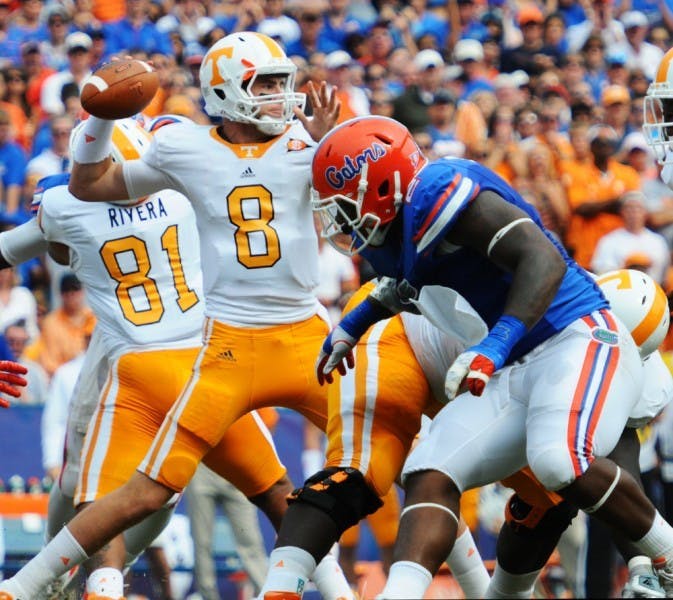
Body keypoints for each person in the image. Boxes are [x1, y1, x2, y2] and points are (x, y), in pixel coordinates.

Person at [0, 31, 352, 600]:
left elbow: (66, 202)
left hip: (139, 365)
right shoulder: (186, 178)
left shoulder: (66, 208)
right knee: (266, 491)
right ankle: (341, 592)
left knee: (101, 494)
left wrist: (96, 117)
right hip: (211, 351)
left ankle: (63, 587)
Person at [297, 115, 673, 599]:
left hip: (573, 335)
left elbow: (542, 258)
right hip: (518, 364)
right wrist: (352, 325)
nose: (341, 219)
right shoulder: (403, 229)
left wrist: (494, 344)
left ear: (385, 183)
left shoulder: (439, 189)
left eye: (347, 203)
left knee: (558, 459)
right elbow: (402, 286)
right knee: (430, 471)